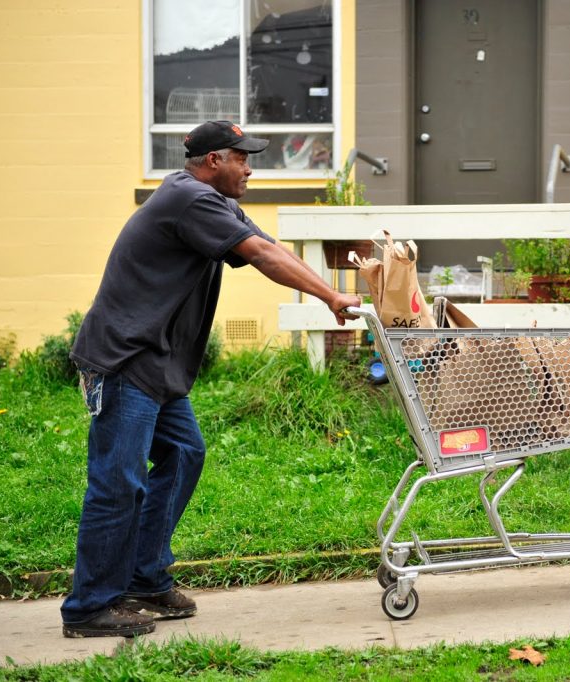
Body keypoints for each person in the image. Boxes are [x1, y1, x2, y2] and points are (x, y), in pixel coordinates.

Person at [60, 120, 360, 638]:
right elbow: (262, 257)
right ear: (214, 160)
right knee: (117, 484)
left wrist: (338, 285)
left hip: (156, 366)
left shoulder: (215, 203)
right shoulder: (189, 199)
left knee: (183, 453)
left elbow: (270, 246)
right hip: (125, 361)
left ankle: (145, 578)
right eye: (243, 158)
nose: (250, 168)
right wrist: (331, 298)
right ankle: (89, 606)